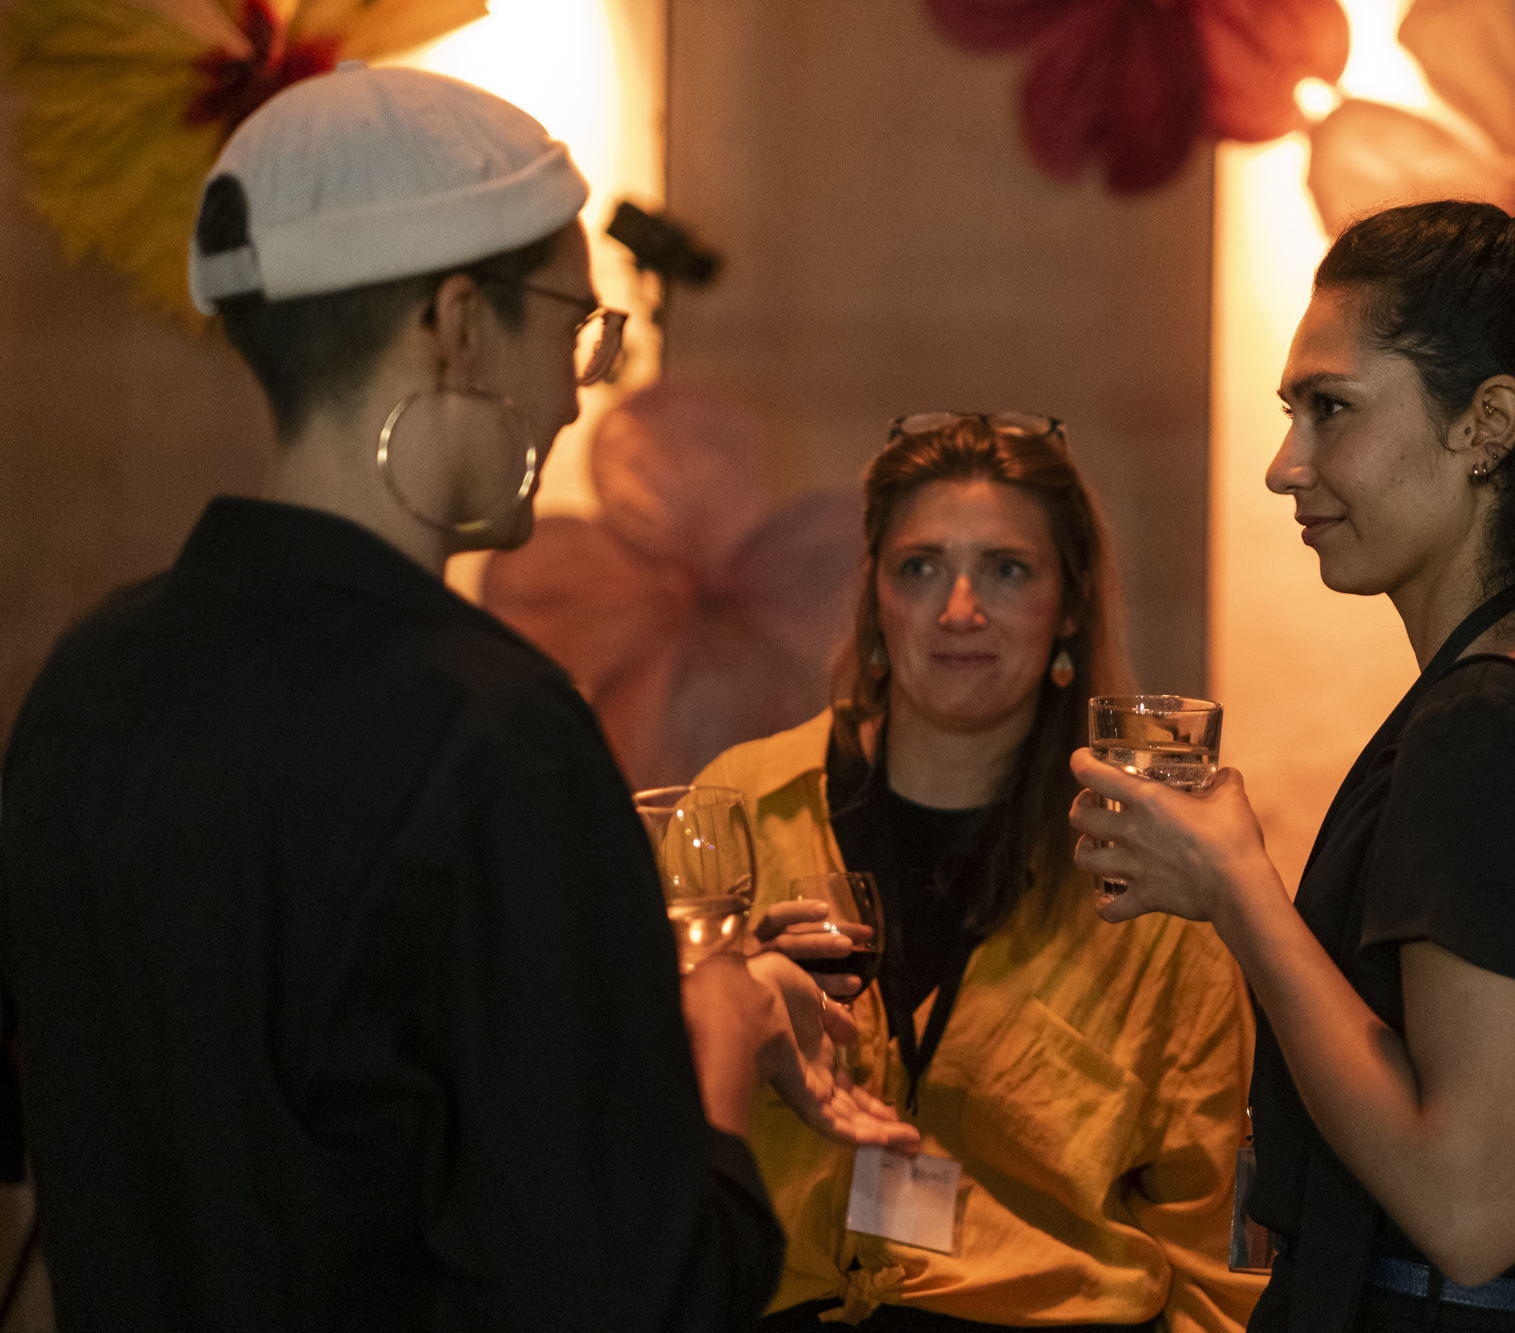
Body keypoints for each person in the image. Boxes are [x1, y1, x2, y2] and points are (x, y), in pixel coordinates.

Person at [0, 64, 910, 1332]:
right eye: (572, 327)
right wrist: (719, 1018)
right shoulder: (493, 733)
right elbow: (640, 1288)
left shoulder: (92, 677)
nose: (578, 389)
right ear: (459, 323)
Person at [1070, 201, 1515, 1332]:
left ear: (1485, 424)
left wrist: (1239, 892)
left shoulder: (1491, 728)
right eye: (1290, 413)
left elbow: (1472, 1205)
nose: (1283, 466)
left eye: (1330, 408)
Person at [692, 414, 1264, 1332]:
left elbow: (1212, 1257)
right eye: (920, 567)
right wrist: (728, 1004)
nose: (960, 609)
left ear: (1069, 606)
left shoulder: (1149, 871)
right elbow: (616, 1102)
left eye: (1007, 569)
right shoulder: (744, 808)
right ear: (876, 598)